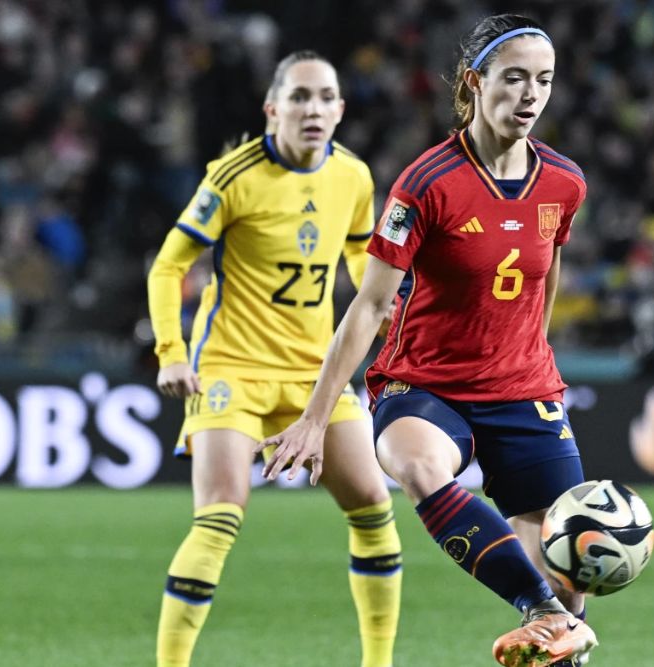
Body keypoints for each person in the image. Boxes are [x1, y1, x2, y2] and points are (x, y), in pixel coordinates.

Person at [260, 15, 597, 667]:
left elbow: (546, 266)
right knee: (421, 468)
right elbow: (370, 305)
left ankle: (557, 615)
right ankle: (544, 612)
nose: (531, 95)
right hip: (424, 384)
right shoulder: (427, 183)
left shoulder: (564, 183)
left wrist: (532, 349)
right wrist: (313, 414)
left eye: (545, 81)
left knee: (569, 566)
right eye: (516, 78)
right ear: (474, 82)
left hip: (523, 388)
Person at [147, 51, 401, 667]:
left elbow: (360, 253)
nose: (312, 109)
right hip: (231, 367)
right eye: (299, 97)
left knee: (372, 504)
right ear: (273, 108)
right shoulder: (233, 176)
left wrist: (384, 307)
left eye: (324, 98)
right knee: (220, 514)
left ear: (340, 109)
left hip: (316, 372)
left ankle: (379, 662)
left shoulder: (355, 177)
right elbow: (168, 265)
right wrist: (171, 352)